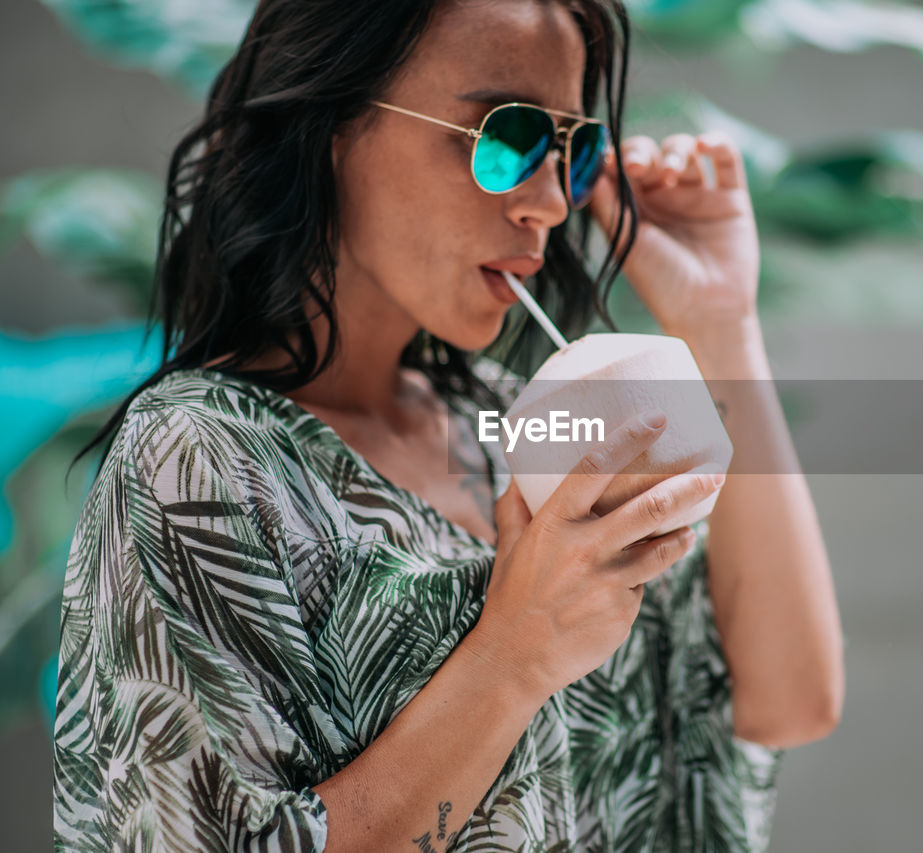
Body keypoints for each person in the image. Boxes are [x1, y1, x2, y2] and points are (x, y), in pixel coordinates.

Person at [53, 0, 845, 849]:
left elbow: (787, 700)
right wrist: (515, 653)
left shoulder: (528, 426)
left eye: (572, 156)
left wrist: (721, 323)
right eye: (506, 138)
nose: (548, 204)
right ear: (334, 124)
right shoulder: (201, 459)